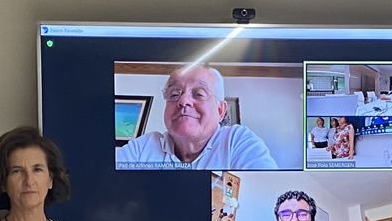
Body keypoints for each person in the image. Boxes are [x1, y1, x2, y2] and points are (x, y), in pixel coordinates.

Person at [115, 64, 277, 169]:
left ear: (220, 111)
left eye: (198, 94)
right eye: (174, 94)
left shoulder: (237, 141)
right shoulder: (143, 147)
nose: (183, 101)